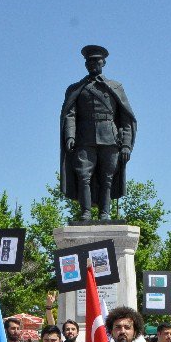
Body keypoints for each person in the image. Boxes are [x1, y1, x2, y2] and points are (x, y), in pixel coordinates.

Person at [60, 45, 137, 221]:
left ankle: (105, 213)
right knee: (83, 175)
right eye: (89, 60)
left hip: (110, 138)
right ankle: (86, 213)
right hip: (84, 138)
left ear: (104, 62)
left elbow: (126, 118)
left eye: (96, 60)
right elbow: (70, 115)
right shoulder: (75, 89)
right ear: (85, 64)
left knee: (107, 177)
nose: (93, 63)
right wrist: (70, 135)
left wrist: (126, 145)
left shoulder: (115, 87)